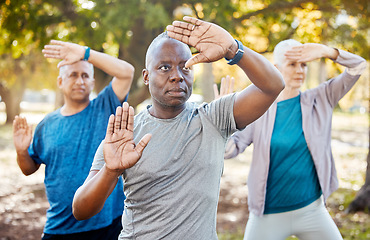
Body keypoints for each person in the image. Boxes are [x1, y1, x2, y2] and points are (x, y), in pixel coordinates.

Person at [72, 16, 284, 239]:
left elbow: (273, 86)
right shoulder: (125, 134)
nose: (177, 76)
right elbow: (81, 210)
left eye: (186, 67)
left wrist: (233, 49)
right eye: (164, 67)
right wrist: (111, 170)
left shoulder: (214, 117)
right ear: (146, 76)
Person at [225, 39, 366, 240]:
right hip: (267, 215)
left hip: (312, 210)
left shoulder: (322, 97)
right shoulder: (259, 108)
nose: (300, 70)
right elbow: (230, 150)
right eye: (292, 64)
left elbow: (359, 66)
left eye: (304, 64)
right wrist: (223, 124)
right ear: (276, 68)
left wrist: (327, 51)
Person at [12, 40, 134, 240]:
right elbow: (28, 169)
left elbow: (126, 72)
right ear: (60, 82)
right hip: (60, 228)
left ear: (93, 83)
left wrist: (85, 54)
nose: (80, 81)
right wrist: (21, 151)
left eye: (85, 75)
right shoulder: (47, 124)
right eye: (73, 75)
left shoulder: (104, 106)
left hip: (108, 226)